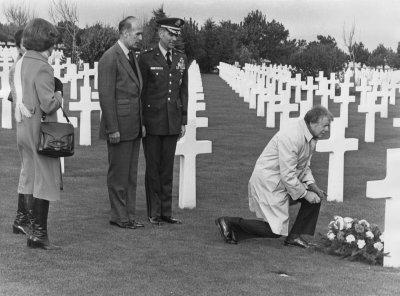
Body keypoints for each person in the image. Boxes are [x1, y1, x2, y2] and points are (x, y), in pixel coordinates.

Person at [215, 106, 333, 248]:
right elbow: (287, 174)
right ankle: (229, 222)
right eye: (325, 125)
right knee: (274, 231)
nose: (327, 129)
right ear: (313, 122)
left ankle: (294, 237)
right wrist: (305, 193)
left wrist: (313, 187)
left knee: (315, 198)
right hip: (269, 182)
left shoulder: (310, 137)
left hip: (283, 181)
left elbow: (303, 167)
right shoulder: (292, 136)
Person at [12, 18, 63, 250]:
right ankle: (39, 234)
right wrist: (60, 93)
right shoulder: (43, 66)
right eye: (52, 43)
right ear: (45, 41)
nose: (53, 48)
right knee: (43, 179)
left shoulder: (20, 64)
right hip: (40, 131)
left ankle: (31, 228)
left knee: (28, 177)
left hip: (23, 128)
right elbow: (49, 104)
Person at [138, 18, 188, 225]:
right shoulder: (147, 58)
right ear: (160, 33)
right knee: (153, 168)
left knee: (167, 169)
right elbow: (140, 92)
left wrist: (183, 119)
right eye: (170, 33)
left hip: (171, 121)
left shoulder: (180, 57)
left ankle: (166, 212)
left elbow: (182, 91)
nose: (174, 38)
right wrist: (141, 121)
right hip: (152, 121)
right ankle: (154, 212)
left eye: (177, 34)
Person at [98, 16, 145, 229]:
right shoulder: (110, 57)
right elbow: (106, 96)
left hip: (134, 126)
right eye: (137, 33)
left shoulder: (131, 56)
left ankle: (129, 215)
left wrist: (142, 123)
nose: (140, 37)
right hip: (119, 126)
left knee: (130, 175)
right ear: (125, 33)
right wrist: (112, 128)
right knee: (118, 174)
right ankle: (119, 216)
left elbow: (136, 93)